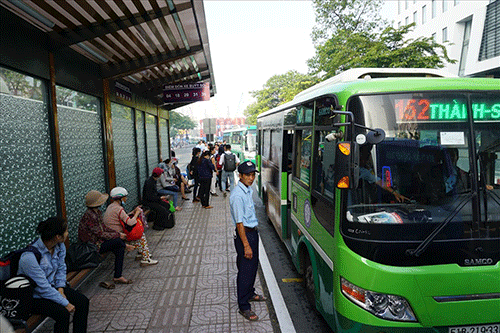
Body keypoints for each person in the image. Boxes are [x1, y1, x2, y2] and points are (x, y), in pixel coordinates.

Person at [18, 217, 89, 333]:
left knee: (82, 302)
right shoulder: (29, 257)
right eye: (65, 231)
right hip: (34, 296)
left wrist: (60, 289)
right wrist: (65, 302)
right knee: (62, 313)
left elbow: (61, 269)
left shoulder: (59, 247)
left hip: (53, 288)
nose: (67, 233)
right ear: (58, 236)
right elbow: (42, 287)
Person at [230, 161, 267, 321]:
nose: (251, 178)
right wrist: (246, 245)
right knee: (245, 270)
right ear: (240, 176)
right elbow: (239, 224)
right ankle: (244, 306)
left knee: (252, 266)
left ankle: (250, 293)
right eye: (248, 175)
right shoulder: (237, 196)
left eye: (253, 175)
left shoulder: (247, 190)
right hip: (245, 235)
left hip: (252, 233)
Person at [78, 190, 134, 286]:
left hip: (99, 242)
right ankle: (125, 246)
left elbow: (104, 228)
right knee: (118, 242)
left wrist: (117, 233)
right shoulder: (89, 216)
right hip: (92, 246)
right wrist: (118, 235)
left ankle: (118, 276)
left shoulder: (97, 213)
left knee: (119, 247)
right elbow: (99, 233)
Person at [103, 187, 158, 266]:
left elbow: (123, 217)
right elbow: (130, 223)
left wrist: (132, 212)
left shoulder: (111, 206)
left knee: (138, 235)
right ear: (120, 198)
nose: (126, 199)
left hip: (112, 233)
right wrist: (136, 213)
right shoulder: (119, 209)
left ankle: (141, 253)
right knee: (140, 235)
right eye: (125, 197)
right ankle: (146, 259)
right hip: (118, 235)